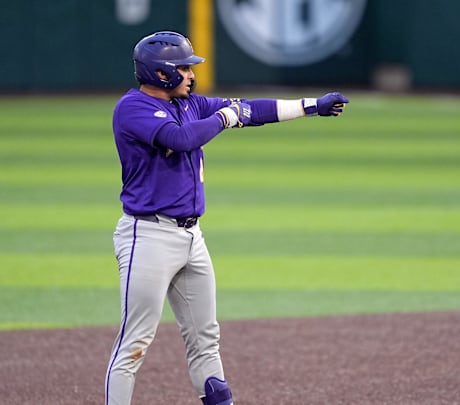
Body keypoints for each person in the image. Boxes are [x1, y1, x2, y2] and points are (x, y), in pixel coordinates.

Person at [105, 31, 349, 405]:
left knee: (206, 339)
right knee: (134, 342)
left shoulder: (189, 104)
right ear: (160, 73)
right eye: (183, 68)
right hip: (148, 237)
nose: (191, 74)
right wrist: (224, 117)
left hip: (191, 238)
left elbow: (252, 109)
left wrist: (311, 105)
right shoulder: (132, 108)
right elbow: (180, 139)